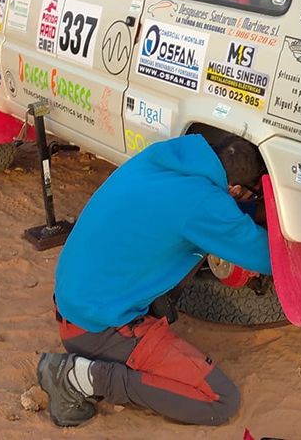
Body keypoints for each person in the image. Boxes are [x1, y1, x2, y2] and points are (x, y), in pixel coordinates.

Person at [38, 133, 271, 428]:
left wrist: (250, 210)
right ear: (235, 189)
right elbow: (265, 255)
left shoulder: (165, 159)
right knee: (220, 401)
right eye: (249, 195)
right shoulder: (201, 204)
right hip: (97, 327)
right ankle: (77, 377)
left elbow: (219, 212)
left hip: (76, 299)